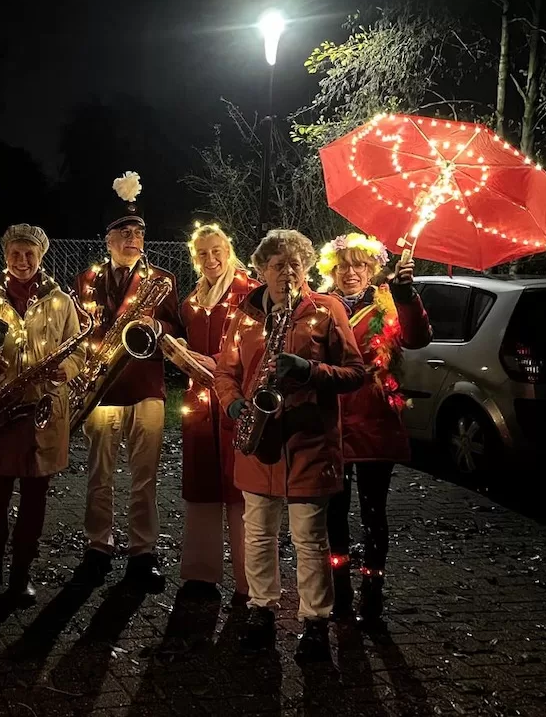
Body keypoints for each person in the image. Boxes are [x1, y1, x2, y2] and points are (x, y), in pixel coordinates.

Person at [214, 229, 365, 663]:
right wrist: (234, 405)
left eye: (296, 264)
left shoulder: (328, 309)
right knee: (258, 535)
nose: (287, 273)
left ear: (307, 269)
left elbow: (355, 373)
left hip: (308, 446)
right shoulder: (243, 315)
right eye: (278, 265)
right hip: (259, 443)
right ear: (261, 270)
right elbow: (225, 373)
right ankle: (261, 612)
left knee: (310, 539)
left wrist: (311, 370)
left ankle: (315, 623)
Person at [72, 172, 180, 591]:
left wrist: (156, 323)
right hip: (101, 390)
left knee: (144, 476)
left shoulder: (162, 281)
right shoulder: (86, 280)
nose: (132, 238)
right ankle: (98, 546)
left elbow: (176, 325)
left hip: (145, 389)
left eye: (137, 232)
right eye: (123, 232)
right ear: (108, 239)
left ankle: (143, 552)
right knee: (99, 474)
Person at [0, 224, 86, 605]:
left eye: (29, 254)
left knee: (36, 498)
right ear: (6, 256)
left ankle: (21, 573)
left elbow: (78, 354)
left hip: (43, 410)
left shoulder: (63, 301)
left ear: (41, 255)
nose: (23, 261)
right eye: (15, 253)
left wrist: (64, 370)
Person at [319, 233, 432, 626]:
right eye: (343, 265)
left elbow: (418, 337)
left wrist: (405, 293)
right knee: (333, 511)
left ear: (371, 270)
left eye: (359, 266)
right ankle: (340, 589)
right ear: (331, 270)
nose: (351, 272)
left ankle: (372, 589)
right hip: (329, 423)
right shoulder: (321, 306)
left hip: (373, 423)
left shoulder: (387, 304)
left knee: (373, 512)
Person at [177, 224, 257, 604]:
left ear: (228, 250)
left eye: (216, 251)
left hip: (234, 402)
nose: (211, 260)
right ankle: (200, 573)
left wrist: (218, 363)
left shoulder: (249, 292)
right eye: (203, 253)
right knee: (202, 486)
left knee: (239, 490)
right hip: (198, 404)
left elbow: (256, 349)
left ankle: (248, 580)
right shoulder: (193, 298)